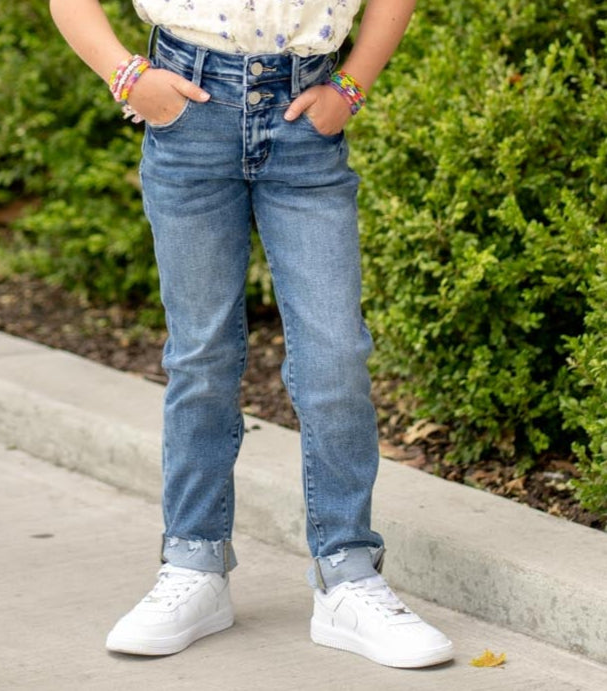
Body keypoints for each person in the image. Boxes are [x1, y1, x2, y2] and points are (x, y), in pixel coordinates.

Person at [49, 0, 453, 669]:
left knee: (335, 356)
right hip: (189, 111)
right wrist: (127, 78)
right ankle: (194, 563)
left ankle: (347, 574)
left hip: (305, 117)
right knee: (201, 355)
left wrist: (351, 87)